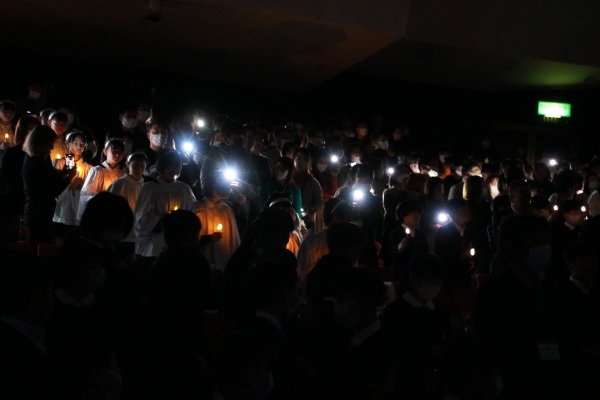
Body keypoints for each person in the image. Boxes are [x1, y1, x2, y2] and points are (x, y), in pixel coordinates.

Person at [475, 214, 558, 398]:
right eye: (536, 242)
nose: (544, 248)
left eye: (546, 241)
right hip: (517, 384)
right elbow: (494, 346)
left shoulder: (549, 290)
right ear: (513, 247)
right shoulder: (494, 294)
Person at [382, 253, 451, 398]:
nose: (435, 287)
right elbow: (393, 350)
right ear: (415, 279)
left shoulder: (440, 314)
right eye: (431, 281)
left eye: (439, 283)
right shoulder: (395, 312)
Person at [243, 248, 304, 400]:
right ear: (284, 293)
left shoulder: (251, 326)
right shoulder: (270, 337)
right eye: (295, 290)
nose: (298, 297)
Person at [0, 252, 57, 399]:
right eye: (49, 288)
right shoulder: (17, 353)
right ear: (35, 295)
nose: (53, 295)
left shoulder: (28, 333)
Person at [221, 208, 294, 321]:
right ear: (280, 236)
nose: (288, 239)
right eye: (287, 234)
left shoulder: (241, 256)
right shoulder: (268, 264)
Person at [134, 149, 196, 259]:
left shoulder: (184, 189)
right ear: (162, 166)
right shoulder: (150, 188)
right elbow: (140, 218)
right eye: (170, 165)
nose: (173, 169)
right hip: (154, 246)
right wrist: (163, 221)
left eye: (176, 166)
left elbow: (193, 211)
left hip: (177, 243)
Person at [22, 126, 75, 244]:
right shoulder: (34, 162)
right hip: (37, 213)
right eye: (50, 144)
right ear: (40, 143)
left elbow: (51, 179)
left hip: (44, 212)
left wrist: (63, 173)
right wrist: (69, 178)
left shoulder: (42, 159)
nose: (51, 148)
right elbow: (49, 191)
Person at [193, 170, 241, 271]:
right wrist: (209, 238)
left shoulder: (227, 210)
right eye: (226, 185)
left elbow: (233, 242)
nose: (230, 189)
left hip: (224, 265)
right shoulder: (197, 209)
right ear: (214, 186)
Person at [297, 198, 352, 282]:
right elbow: (303, 273)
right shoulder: (313, 242)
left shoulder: (349, 242)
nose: (350, 223)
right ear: (336, 216)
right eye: (348, 219)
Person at [52, 131, 93, 235]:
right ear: (67, 143)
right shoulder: (59, 163)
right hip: (63, 207)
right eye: (75, 143)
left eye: (82, 144)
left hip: (78, 207)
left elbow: (91, 191)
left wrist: (83, 185)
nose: (79, 146)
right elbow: (53, 188)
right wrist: (70, 184)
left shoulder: (89, 168)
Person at [0, 115, 40, 213]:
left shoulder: (41, 154)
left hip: (34, 201)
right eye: (31, 129)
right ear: (23, 131)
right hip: (15, 198)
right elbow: (4, 177)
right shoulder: (12, 152)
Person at [78, 138, 126, 219]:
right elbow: (86, 193)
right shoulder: (97, 171)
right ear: (105, 151)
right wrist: (103, 199)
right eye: (114, 151)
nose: (117, 154)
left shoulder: (123, 173)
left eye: (120, 152)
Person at [107, 152, 148, 246]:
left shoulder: (147, 186)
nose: (139, 170)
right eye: (135, 166)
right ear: (128, 164)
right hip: (122, 228)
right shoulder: (118, 184)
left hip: (141, 230)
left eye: (142, 166)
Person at [434, 198, 473, 287]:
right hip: (452, 278)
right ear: (454, 211)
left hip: (468, 275)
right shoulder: (443, 232)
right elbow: (441, 256)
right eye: (465, 209)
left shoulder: (470, 229)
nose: (469, 212)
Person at [387, 200, 430, 280]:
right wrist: (401, 245)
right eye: (413, 213)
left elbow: (426, 252)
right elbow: (389, 251)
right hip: (400, 272)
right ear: (403, 215)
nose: (417, 216)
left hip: (418, 273)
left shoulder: (421, 234)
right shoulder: (396, 232)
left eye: (418, 214)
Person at [548, 199, 585, 284]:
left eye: (580, 212)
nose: (580, 215)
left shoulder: (580, 230)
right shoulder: (559, 232)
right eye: (575, 213)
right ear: (566, 215)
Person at [292, 148, 324, 233]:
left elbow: (320, 204)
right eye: (298, 158)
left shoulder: (313, 183)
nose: (301, 161)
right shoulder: (288, 181)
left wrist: (309, 209)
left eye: (305, 159)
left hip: (307, 224)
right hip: (289, 224)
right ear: (293, 160)